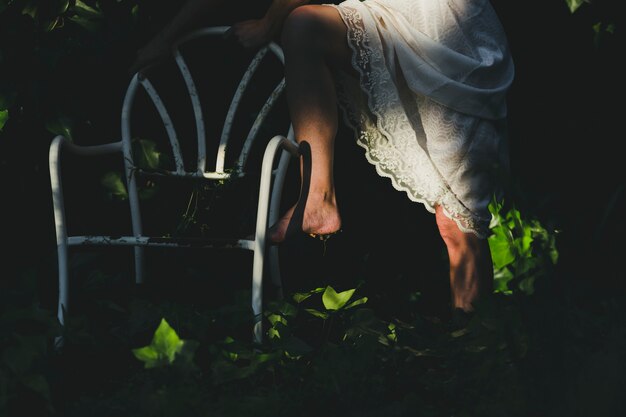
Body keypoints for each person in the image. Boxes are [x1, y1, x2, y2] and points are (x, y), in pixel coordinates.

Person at [130, 0, 515, 315]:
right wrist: (166, 38)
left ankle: (478, 358)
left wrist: (267, 24)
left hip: (447, 35)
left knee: (457, 223)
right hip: (391, 23)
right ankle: (317, 197)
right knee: (305, 25)